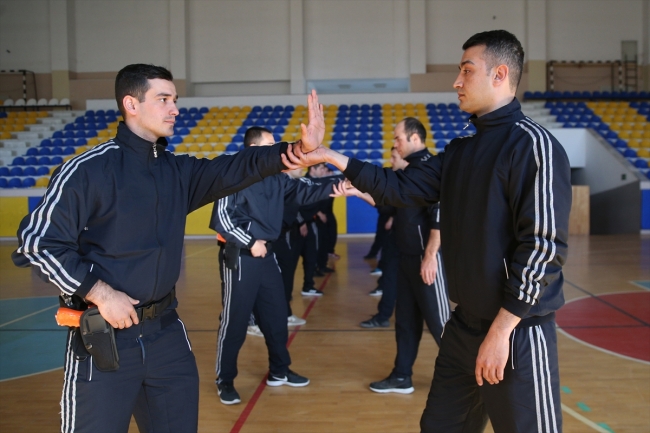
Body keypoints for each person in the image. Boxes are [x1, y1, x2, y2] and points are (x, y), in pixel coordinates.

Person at [11, 64, 323, 433]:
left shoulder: (177, 172)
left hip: (166, 336)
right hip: (104, 343)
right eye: (163, 99)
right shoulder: (87, 171)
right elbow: (36, 243)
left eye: (175, 100)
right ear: (131, 103)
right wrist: (101, 293)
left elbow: (236, 167)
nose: (175, 108)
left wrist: (297, 150)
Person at [290, 30, 571, 432]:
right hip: (463, 329)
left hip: (516, 332)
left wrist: (501, 331)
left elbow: (543, 249)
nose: (456, 82)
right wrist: (329, 156)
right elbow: (398, 187)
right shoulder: (461, 151)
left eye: (466, 71)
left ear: (500, 74)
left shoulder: (533, 146)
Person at [209, 126, 340, 405]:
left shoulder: (275, 178)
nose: (276, 150)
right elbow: (222, 217)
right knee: (235, 321)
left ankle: (279, 370)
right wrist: (250, 241)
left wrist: (340, 186)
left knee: (277, 315)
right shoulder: (232, 173)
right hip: (240, 256)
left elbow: (305, 190)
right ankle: (225, 380)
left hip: (267, 256)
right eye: (270, 145)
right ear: (254, 148)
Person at [333, 129, 451, 396]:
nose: (394, 143)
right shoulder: (407, 173)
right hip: (406, 259)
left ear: (415, 139)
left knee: (441, 323)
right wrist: (356, 192)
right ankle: (401, 376)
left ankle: (468, 377)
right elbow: (387, 204)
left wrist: (431, 256)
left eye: (398, 139)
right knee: (406, 322)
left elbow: (440, 214)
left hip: (427, 260)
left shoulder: (430, 168)